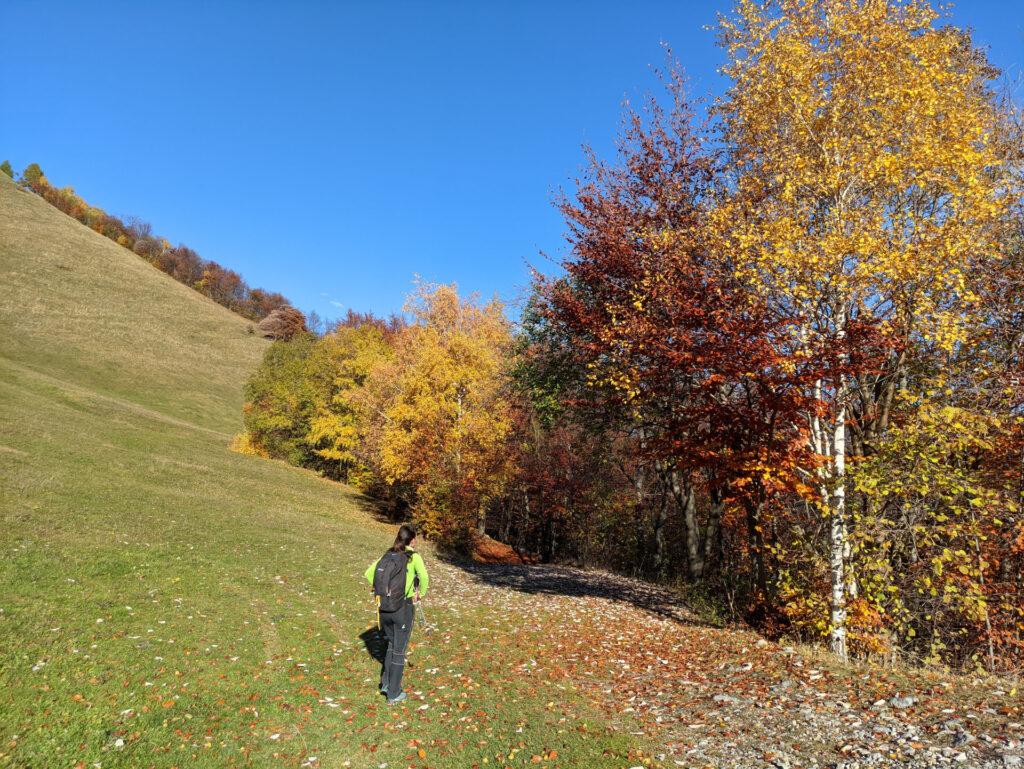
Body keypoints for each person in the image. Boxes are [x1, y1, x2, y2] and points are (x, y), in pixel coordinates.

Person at [364, 524, 429, 705]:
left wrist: (384, 591)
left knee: (391, 645)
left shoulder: (389, 553)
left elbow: (370, 574)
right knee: (399, 650)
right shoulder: (413, 557)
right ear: (412, 539)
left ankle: (385, 684)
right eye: (416, 537)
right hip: (403, 607)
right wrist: (419, 593)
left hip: (384, 608)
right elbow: (424, 578)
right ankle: (394, 693)